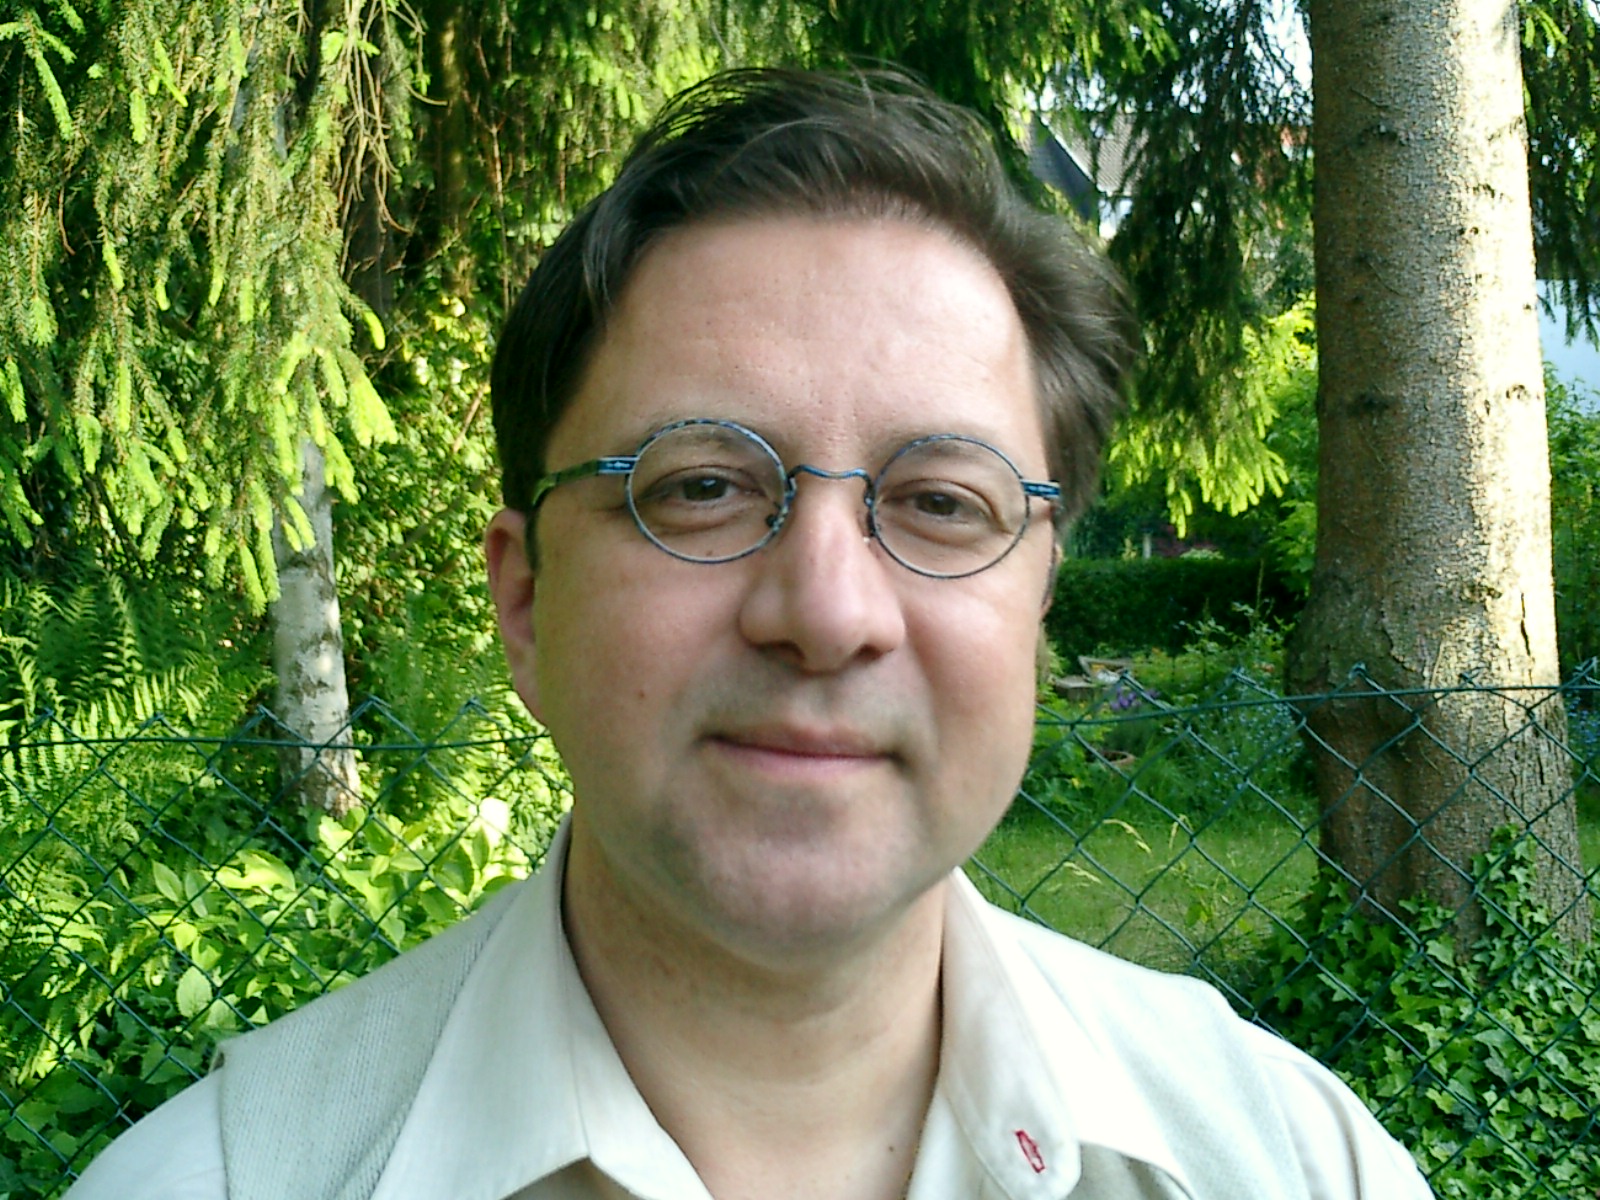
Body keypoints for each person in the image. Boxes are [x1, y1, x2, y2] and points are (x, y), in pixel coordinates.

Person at [68, 66, 1434, 1200]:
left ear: (1035, 609)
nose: (828, 613)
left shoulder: (1296, 1165)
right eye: (702, 488)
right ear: (528, 603)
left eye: (942, 503)